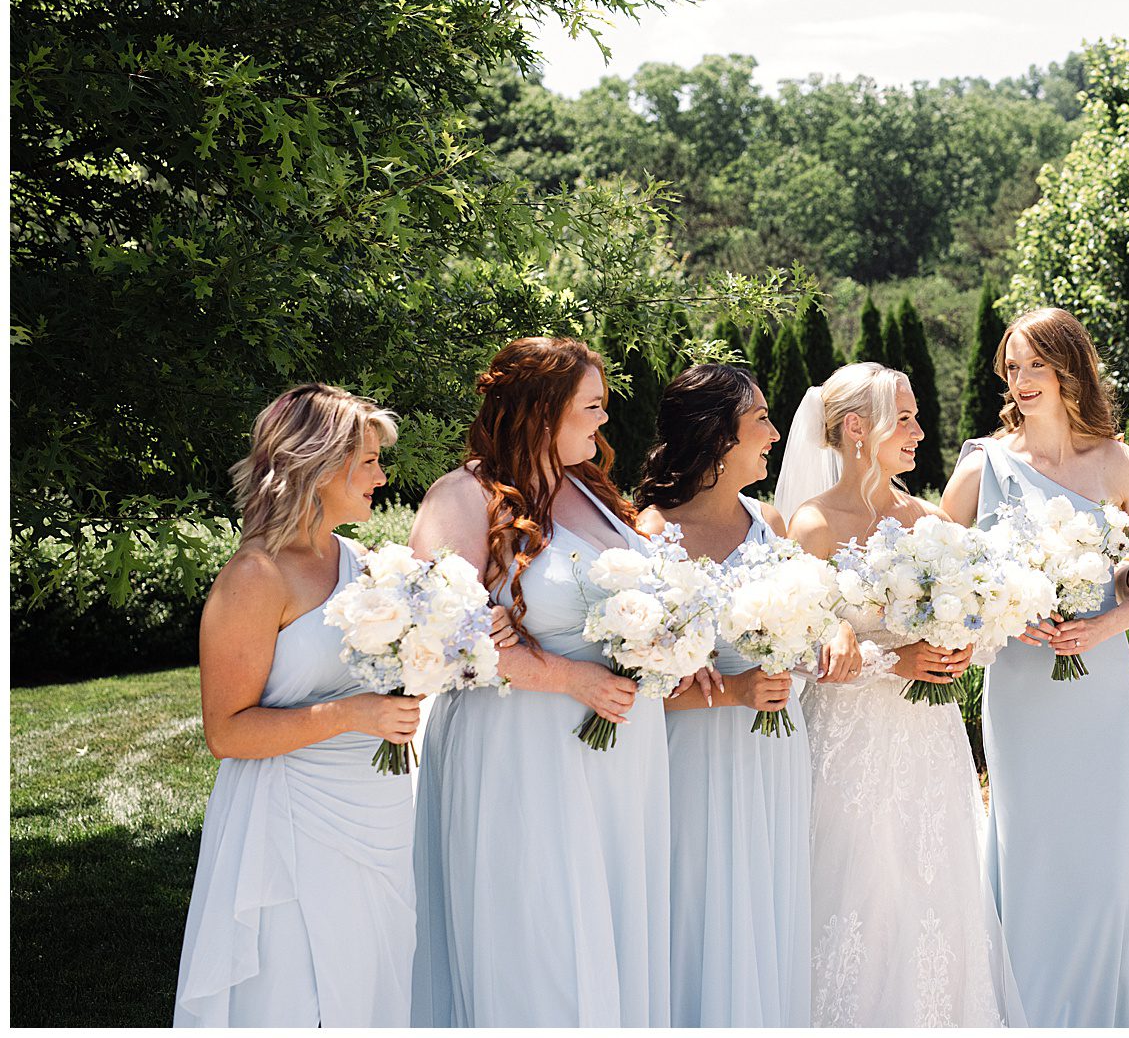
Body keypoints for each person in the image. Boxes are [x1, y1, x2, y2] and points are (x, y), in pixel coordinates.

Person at [408, 336, 674, 1026]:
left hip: (619, 760)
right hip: (522, 752)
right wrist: (567, 677)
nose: (603, 421)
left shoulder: (589, 490)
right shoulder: (462, 499)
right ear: (541, 410)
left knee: (609, 930)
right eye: (592, 406)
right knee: (540, 942)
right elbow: (443, 639)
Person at [939, 307, 1129, 1027]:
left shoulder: (1119, 462)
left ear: (1070, 367)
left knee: (1102, 834)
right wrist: (1002, 613)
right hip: (1018, 683)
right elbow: (941, 583)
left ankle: (1105, 1010)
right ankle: (1028, 1007)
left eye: (1034, 366)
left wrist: (1106, 623)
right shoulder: (980, 465)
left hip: (1097, 683)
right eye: (1011, 368)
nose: (1020, 381)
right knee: (1028, 833)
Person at [776, 361, 1024, 1026]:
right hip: (850, 745)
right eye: (904, 417)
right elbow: (808, 651)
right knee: (860, 889)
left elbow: (968, 610)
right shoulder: (813, 525)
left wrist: (964, 641)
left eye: (916, 415)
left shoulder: (928, 519)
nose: (920, 430)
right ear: (857, 429)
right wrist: (895, 658)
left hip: (929, 741)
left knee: (934, 887)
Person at [174, 384, 418, 1027]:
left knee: (376, 979)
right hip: (293, 819)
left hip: (379, 810)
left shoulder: (361, 562)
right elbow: (225, 733)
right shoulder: (255, 576)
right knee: (299, 989)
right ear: (317, 466)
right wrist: (350, 716)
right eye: (367, 461)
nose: (381, 476)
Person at [635, 362, 857, 1027]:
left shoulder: (770, 521)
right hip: (691, 759)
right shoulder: (651, 534)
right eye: (760, 418)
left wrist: (835, 630)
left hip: (773, 755)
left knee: (766, 904)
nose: (774, 431)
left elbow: (815, 613)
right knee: (697, 908)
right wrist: (730, 690)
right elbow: (635, 680)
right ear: (717, 435)